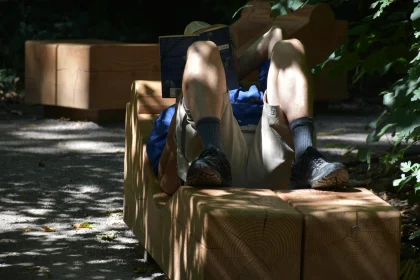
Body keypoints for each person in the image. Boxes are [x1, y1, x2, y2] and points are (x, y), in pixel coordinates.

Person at [147, 21, 349, 195]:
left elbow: (276, 35)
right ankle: (212, 152)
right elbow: (167, 184)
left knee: (290, 47)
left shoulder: (255, 92)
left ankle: (306, 156)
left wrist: (235, 66)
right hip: (209, 170)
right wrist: (182, 104)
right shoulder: (172, 115)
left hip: (271, 161)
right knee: (202, 50)